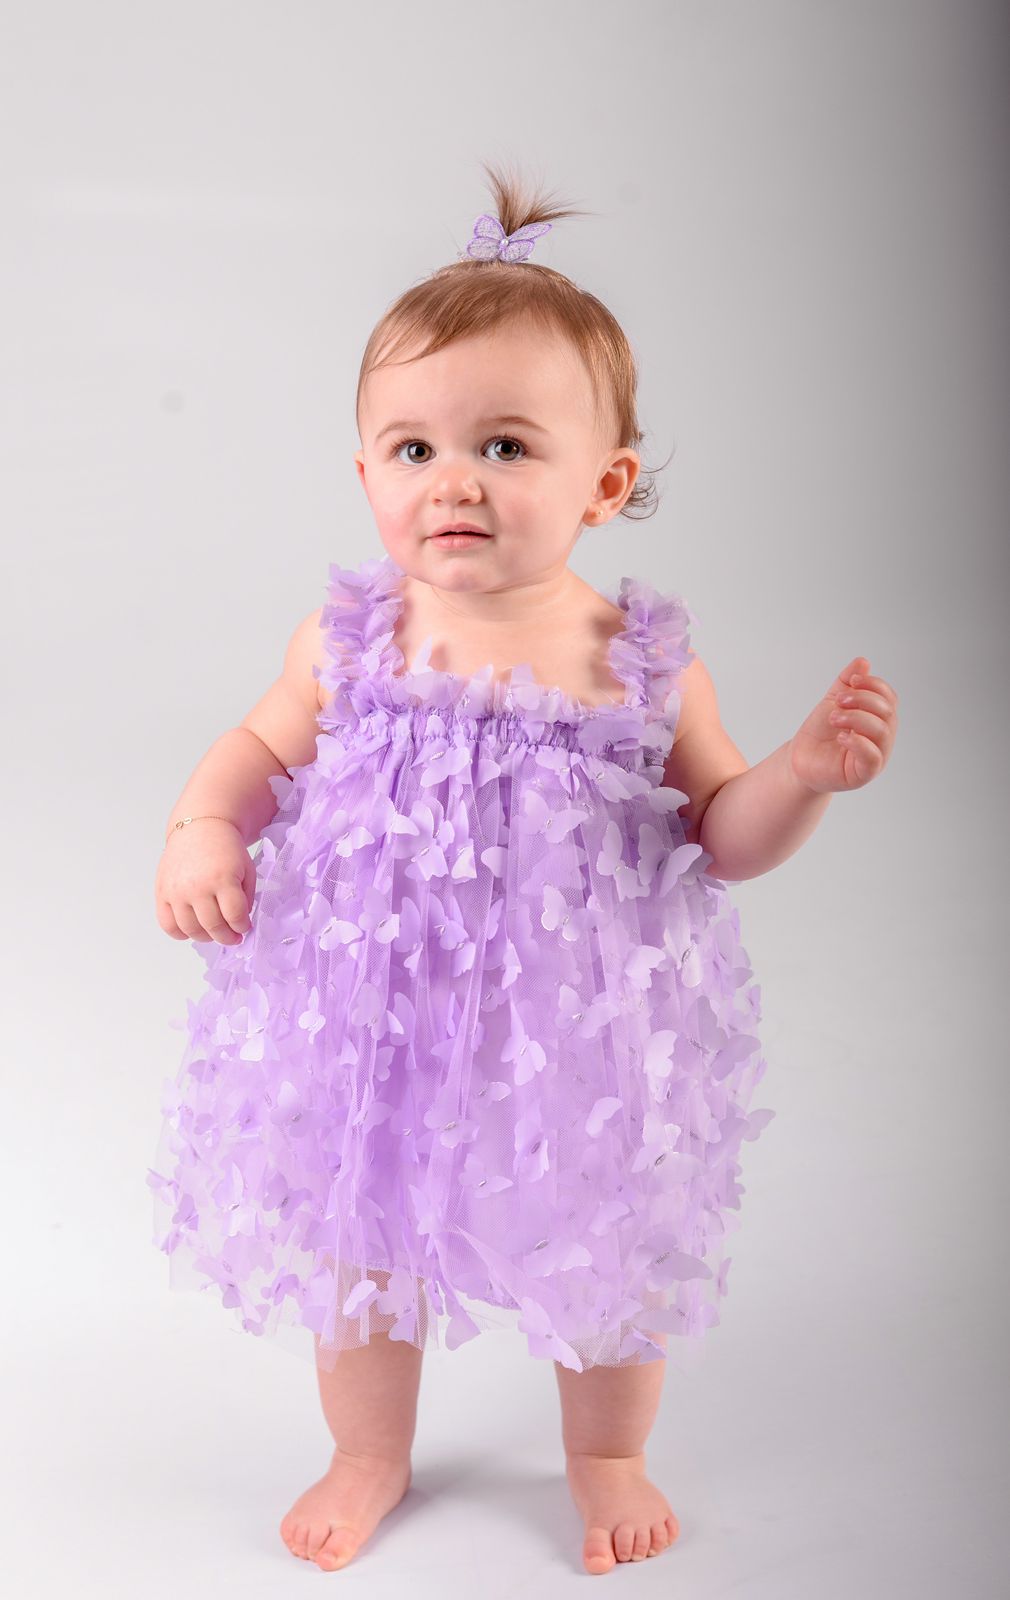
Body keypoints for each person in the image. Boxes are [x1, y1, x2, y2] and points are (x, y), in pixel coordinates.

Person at [148, 160, 899, 1576]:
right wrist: (203, 826)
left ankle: (607, 1454)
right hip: (377, 1012)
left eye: (504, 445)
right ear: (364, 473)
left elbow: (721, 833)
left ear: (604, 483)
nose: (453, 482)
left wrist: (796, 777)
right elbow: (254, 747)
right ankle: (366, 1450)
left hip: (569, 1029)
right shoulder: (350, 639)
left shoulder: (636, 661)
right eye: (412, 449)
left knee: (597, 1238)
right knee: (364, 1233)